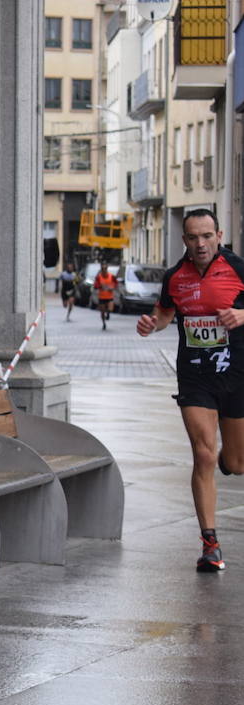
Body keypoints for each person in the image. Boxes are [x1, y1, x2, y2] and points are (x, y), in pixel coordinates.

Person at [136, 208, 244, 572]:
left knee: (235, 463)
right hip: (195, 375)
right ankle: (210, 545)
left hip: (236, 374)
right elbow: (166, 313)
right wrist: (153, 323)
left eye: (207, 236)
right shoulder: (175, 277)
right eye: (193, 237)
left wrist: (242, 315)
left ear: (219, 235)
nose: (200, 244)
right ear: (184, 240)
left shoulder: (237, 268)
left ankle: (232, 458)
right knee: (203, 455)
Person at [94, 261, 118, 330]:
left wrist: (112, 288)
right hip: (101, 297)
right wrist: (100, 286)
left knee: (110, 309)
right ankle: (104, 324)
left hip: (109, 296)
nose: (104, 270)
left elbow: (116, 284)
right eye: (103, 269)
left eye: (105, 268)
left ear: (107, 268)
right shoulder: (98, 277)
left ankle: (108, 313)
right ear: (101, 269)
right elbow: (95, 285)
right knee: (102, 312)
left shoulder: (112, 276)